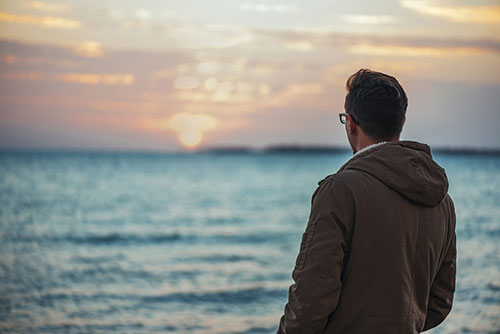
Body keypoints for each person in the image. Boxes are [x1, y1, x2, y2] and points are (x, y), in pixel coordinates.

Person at [277, 69, 456, 333]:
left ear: (350, 123)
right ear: (401, 121)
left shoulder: (340, 191)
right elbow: (440, 301)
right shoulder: (443, 202)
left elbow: (311, 300)